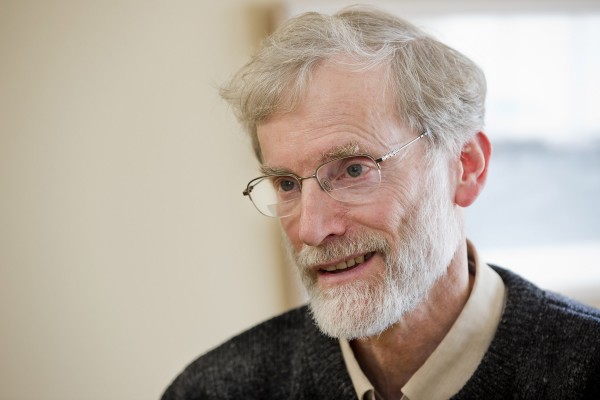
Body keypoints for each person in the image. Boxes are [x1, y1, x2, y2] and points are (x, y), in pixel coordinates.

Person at [162, 6, 600, 399]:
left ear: (466, 167)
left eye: (353, 170)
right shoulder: (215, 389)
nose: (312, 229)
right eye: (287, 183)